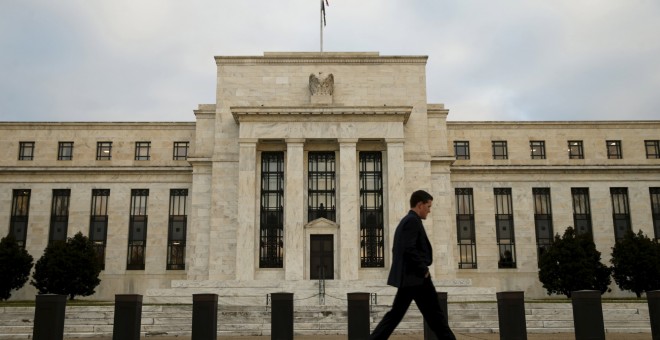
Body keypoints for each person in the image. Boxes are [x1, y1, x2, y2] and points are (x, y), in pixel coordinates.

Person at [369, 190, 456, 340]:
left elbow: (400, 248)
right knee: (436, 317)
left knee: (396, 316)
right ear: (420, 205)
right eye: (428, 206)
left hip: (410, 279)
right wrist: (423, 270)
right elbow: (408, 248)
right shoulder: (412, 221)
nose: (429, 210)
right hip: (417, 278)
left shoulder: (407, 221)